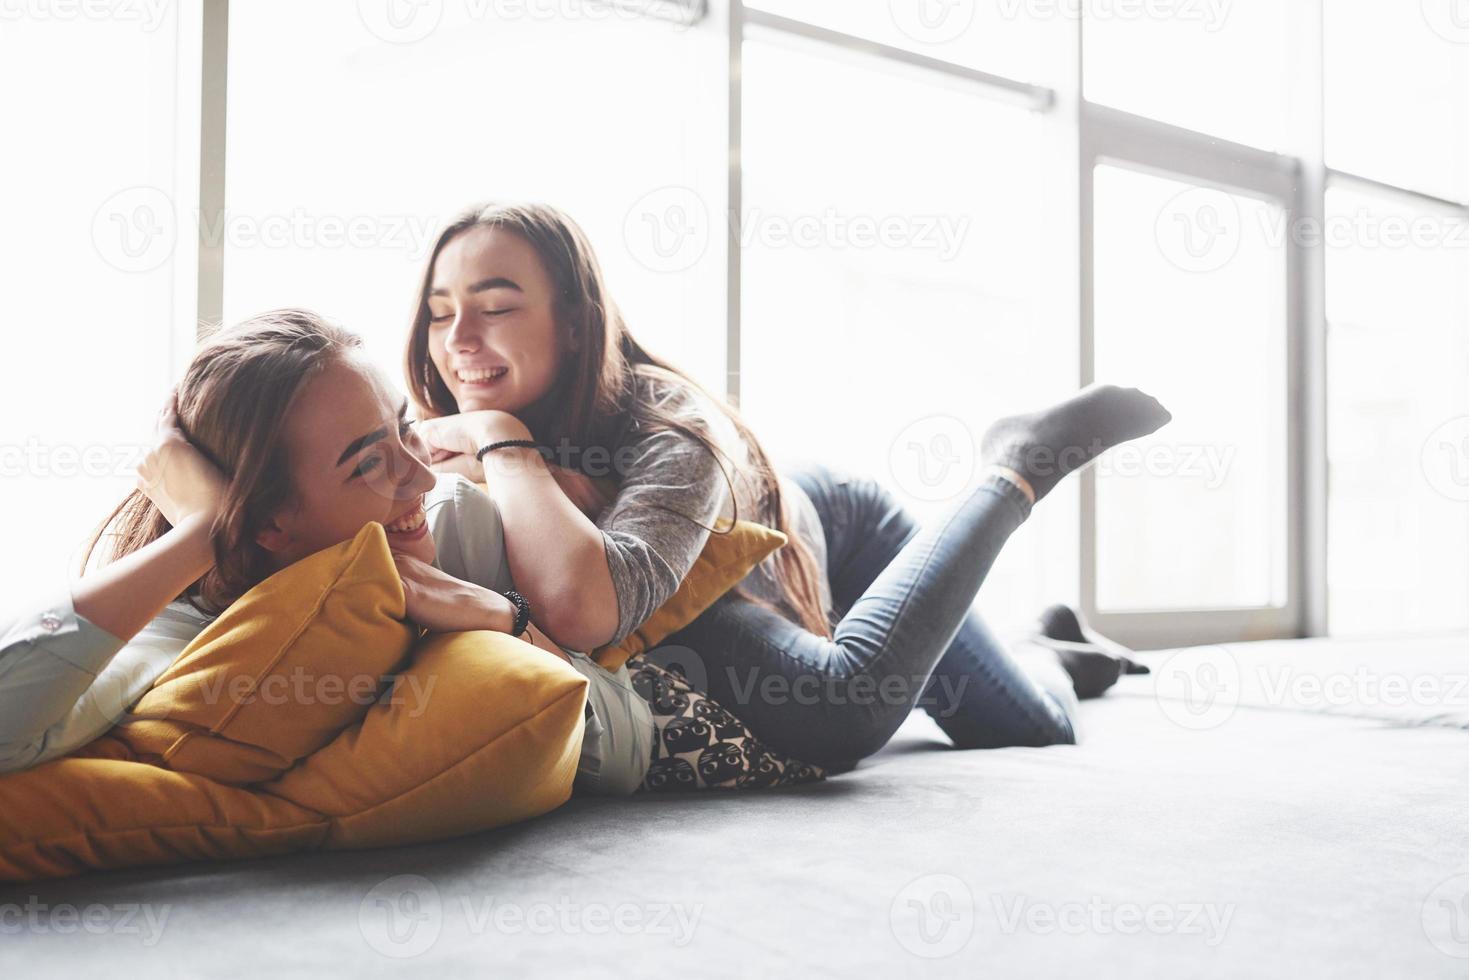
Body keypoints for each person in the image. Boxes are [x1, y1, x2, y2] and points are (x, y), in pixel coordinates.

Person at [405, 202, 1172, 773]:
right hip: (696, 567)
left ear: (574, 322)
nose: (459, 340)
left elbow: (596, 605)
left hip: (810, 530)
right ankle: (1044, 636)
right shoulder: (421, 434)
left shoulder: (669, 423)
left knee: (1014, 725)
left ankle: (1015, 473)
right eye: (440, 315)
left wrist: (500, 445)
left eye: (495, 307)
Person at [0, 310, 824, 794]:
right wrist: (197, 536)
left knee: (850, 703)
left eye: (405, 431)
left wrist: (500, 614)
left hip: (791, 542)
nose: (421, 480)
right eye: (369, 462)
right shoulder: (197, 631)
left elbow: (617, 719)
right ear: (268, 524)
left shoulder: (456, 526)